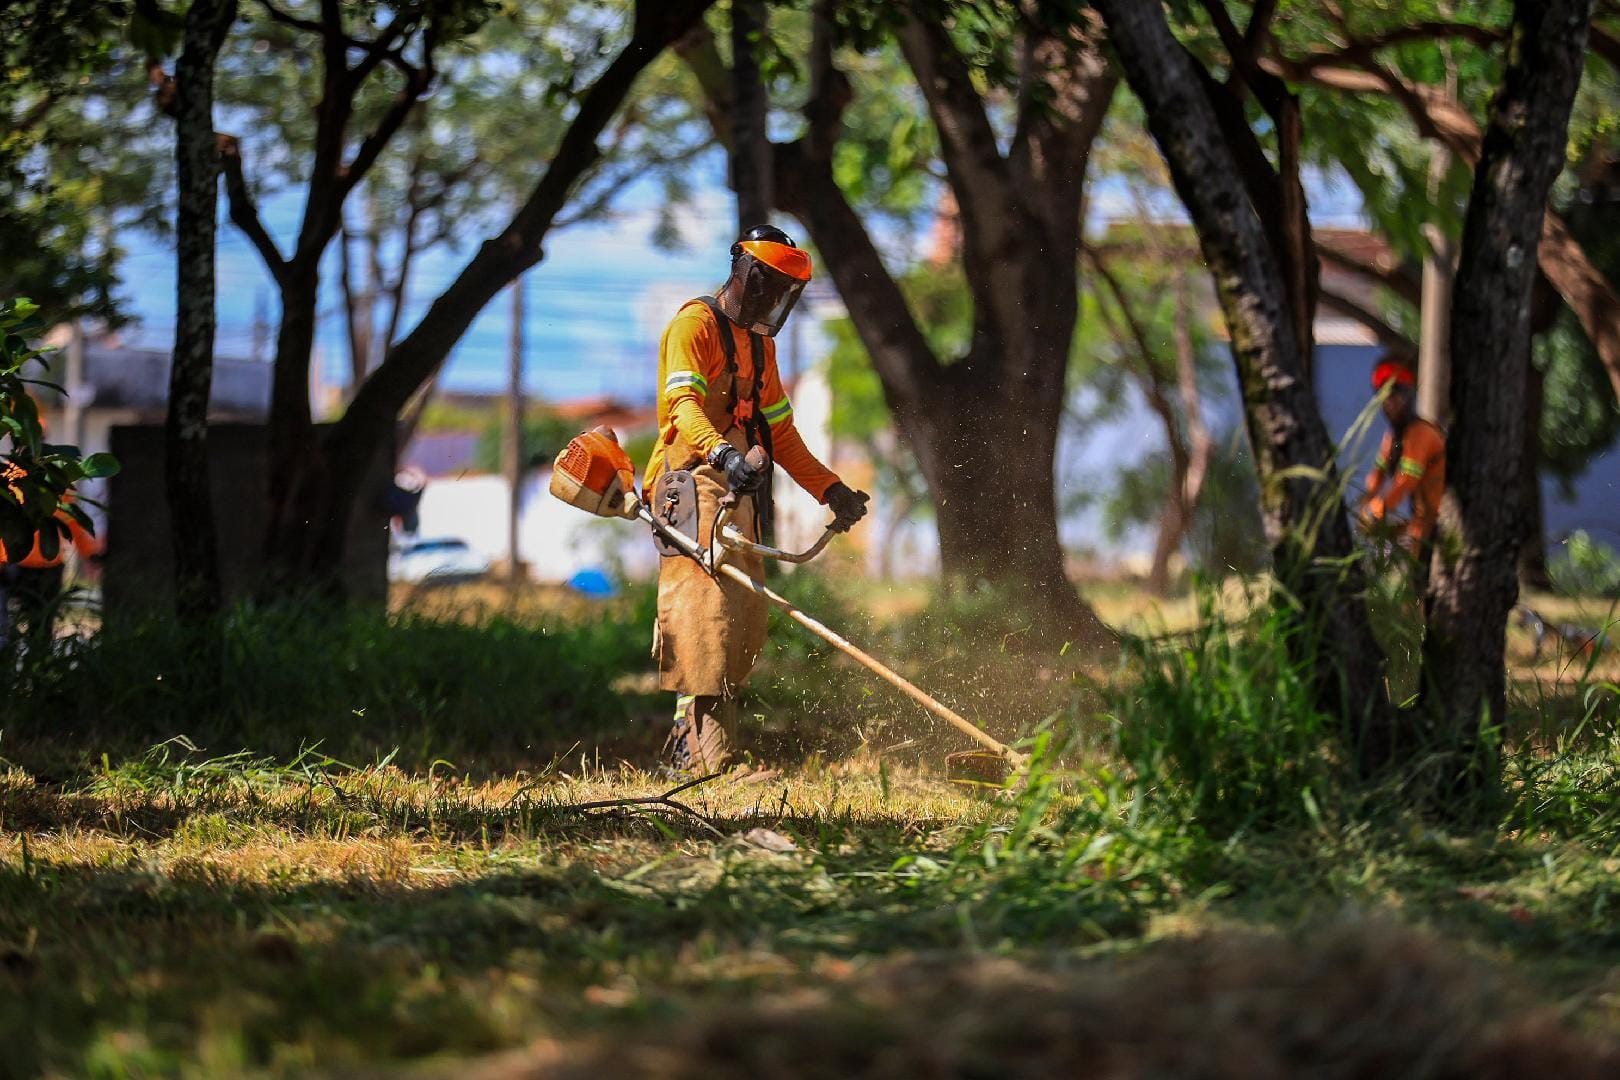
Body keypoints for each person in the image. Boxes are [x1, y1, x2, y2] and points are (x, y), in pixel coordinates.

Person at [645, 224, 869, 772]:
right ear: (745, 273)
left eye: (784, 293)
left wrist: (830, 489)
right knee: (706, 612)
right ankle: (702, 759)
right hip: (690, 483)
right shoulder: (695, 325)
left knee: (742, 616)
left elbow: (781, 434)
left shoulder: (761, 348)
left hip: (734, 486)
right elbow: (682, 407)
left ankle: (699, 749)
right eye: (769, 287)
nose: (773, 301)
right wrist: (723, 455)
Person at [1358, 358, 1446, 563]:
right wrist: (1363, 507)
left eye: (1396, 396)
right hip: (1420, 519)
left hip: (1438, 522)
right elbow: (1377, 475)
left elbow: (1407, 480)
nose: (1390, 404)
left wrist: (1378, 509)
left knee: (1416, 566)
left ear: (1409, 396)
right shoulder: (1394, 436)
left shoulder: (1421, 433)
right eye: (1385, 397)